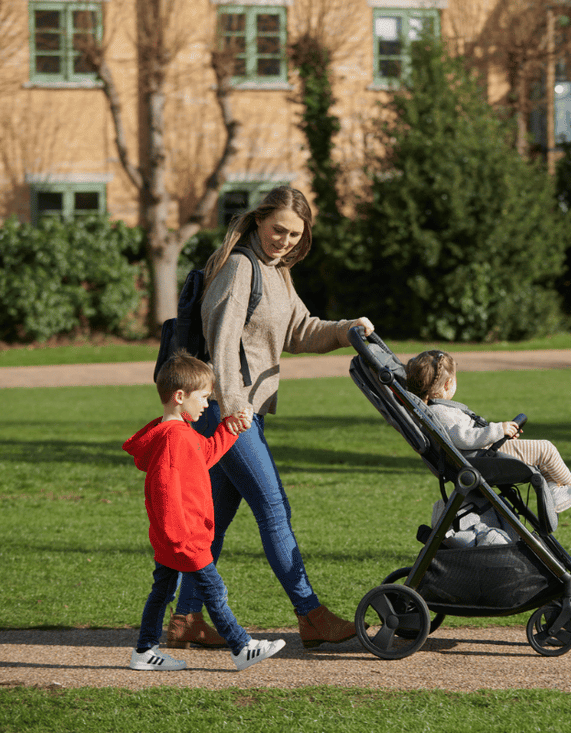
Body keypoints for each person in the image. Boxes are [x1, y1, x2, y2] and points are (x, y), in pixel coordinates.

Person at [165, 186, 375, 652]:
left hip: (241, 413)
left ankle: (185, 619)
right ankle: (311, 615)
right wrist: (235, 407)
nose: (284, 239)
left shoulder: (277, 274)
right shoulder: (241, 268)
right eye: (278, 229)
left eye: (294, 234)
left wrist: (347, 329)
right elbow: (221, 340)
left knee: (213, 521)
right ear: (259, 222)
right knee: (275, 511)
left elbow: (301, 331)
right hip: (227, 412)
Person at [124, 350, 286, 671]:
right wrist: (182, 539)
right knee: (213, 590)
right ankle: (241, 647)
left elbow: (206, 455)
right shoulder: (174, 439)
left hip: (175, 539)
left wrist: (231, 428)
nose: (206, 404)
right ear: (180, 396)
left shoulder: (180, 435)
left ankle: (144, 652)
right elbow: (165, 494)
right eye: (203, 397)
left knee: (163, 592)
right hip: (185, 539)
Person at [405, 349, 571, 545]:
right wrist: (498, 430)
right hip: (483, 458)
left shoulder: (436, 410)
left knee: (542, 458)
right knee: (546, 450)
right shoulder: (441, 413)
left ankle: (556, 491)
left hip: (485, 452)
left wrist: (502, 435)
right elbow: (464, 437)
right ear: (449, 384)